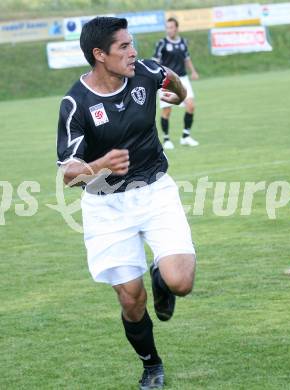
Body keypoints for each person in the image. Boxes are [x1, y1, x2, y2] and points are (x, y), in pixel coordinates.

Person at [56, 16, 196, 390]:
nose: (133, 52)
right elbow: (68, 175)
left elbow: (170, 77)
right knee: (132, 300)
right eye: (124, 47)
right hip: (105, 206)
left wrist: (179, 95)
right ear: (99, 54)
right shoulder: (76, 103)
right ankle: (151, 366)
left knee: (180, 282)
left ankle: (161, 275)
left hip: (155, 191)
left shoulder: (145, 72)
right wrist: (100, 164)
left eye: (132, 44)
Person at [153, 17, 200, 150]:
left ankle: (185, 137)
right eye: (167, 27)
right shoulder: (161, 43)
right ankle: (166, 139)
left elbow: (187, 58)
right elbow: (155, 61)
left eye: (171, 27)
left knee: (190, 106)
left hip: (183, 79)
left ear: (177, 28)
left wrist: (194, 72)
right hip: (166, 80)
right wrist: (156, 77)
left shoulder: (183, 42)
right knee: (167, 111)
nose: (169, 30)